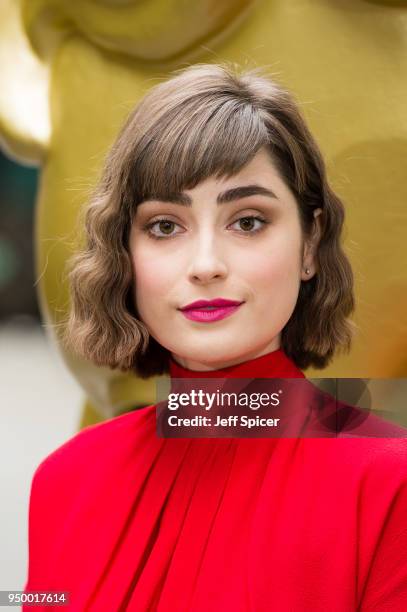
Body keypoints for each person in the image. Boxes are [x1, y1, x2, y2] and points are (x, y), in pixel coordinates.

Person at [23, 64, 407, 611]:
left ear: (309, 242)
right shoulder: (67, 481)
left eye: (248, 221)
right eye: (164, 226)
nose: (205, 265)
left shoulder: (392, 484)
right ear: (124, 256)